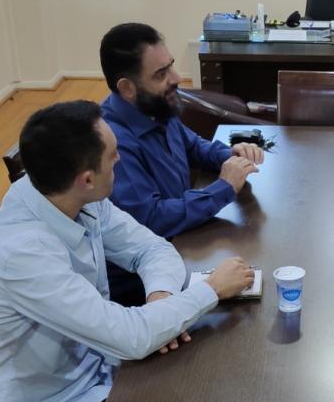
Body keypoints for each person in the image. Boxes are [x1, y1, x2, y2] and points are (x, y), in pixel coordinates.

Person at [0, 101, 255, 402]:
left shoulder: (70, 194)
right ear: (86, 177)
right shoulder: (20, 253)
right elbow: (129, 339)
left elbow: (152, 248)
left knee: (207, 392)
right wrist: (211, 289)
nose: (120, 161)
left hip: (94, 366)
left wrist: (160, 299)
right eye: (114, 156)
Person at [99, 22, 264, 239]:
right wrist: (224, 187)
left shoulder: (154, 106)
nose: (176, 78)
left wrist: (231, 156)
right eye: (161, 74)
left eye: (171, 66)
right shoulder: (112, 142)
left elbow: (193, 146)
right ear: (127, 88)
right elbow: (151, 219)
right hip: (159, 256)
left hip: (186, 234)